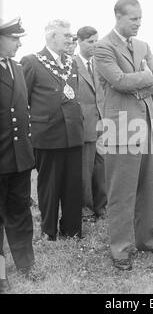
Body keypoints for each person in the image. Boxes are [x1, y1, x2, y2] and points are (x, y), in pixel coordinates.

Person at [94, 0, 153, 270]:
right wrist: (145, 78)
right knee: (121, 193)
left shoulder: (143, 45)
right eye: (133, 18)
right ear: (118, 16)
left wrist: (140, 83)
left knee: (147, 188)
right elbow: (118, 80)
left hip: (146, 125)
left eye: (140, 18)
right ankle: (120, 251)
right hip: (120, 129)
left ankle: (146, 242)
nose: (139, 23)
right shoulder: (102, 47)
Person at [20, 19, 84, 241]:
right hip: (48, 135)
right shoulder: (31, 61)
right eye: (66, 35)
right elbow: (23, 100)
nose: (70, 38)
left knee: (74, 184)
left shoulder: (72, 62)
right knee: (49, 185)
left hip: (74, 134)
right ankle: (49, 231)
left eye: (70, 35)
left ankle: (73, 229)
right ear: (51, 37)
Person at [0, 17, 35, 292]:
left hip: (19, 158)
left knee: (20, 214)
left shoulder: (18, 68)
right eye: (14, 38)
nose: (19, 43)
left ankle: (25, 264)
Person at [75, 26, 107, 222]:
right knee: (84, 171)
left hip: (103, 124)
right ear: (79, 41)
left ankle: (101, 207)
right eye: (90, 41)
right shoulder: (72, 64)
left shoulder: (100, 64)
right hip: (84, 125)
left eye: (96, 40)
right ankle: (85, 209)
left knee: (101, 168)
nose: (94, 45)